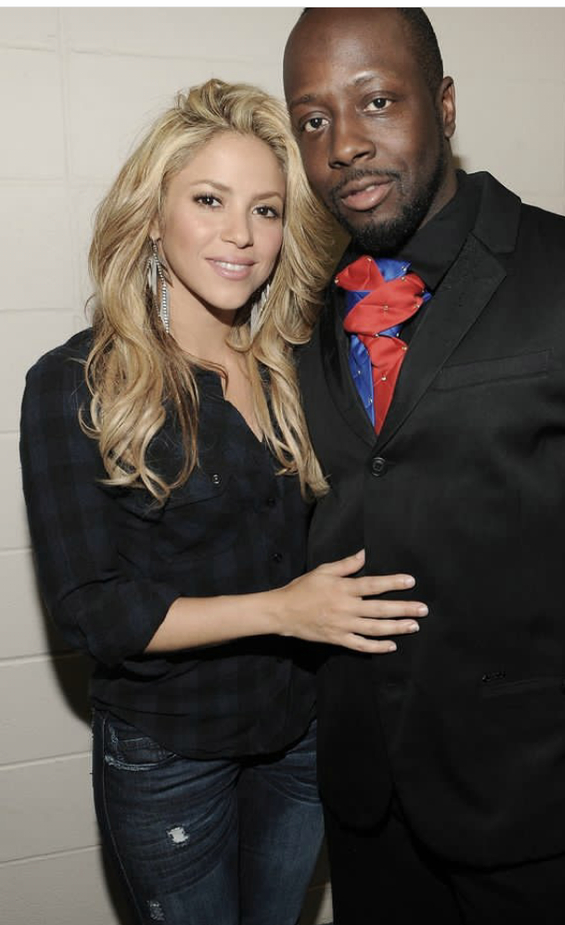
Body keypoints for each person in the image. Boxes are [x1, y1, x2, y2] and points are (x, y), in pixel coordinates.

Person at [282, 9, 565, 924]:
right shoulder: (306, 313)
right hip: (366, 800)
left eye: (377, 101)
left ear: (445, 105)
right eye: (314, 119)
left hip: (537, 800)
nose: (344, 145)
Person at [19, 78, 428, 925]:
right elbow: (94, 610)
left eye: (266, 209)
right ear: (153, 215)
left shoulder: (298, 364)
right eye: (210, 200)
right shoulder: (76, 383)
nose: (241, 234)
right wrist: (284, 609)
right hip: (171, 750)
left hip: (299, 731)